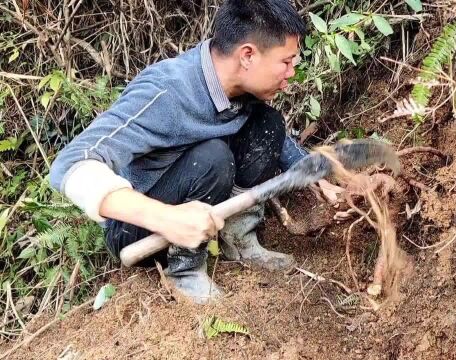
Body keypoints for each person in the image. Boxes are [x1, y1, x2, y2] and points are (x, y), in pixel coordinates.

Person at [49, 0, 338, 305]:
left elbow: (273, 139)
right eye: (287, 61)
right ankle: (184, 269)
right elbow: (69, 164)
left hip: (190, 206)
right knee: (213, 157)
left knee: (267, 122)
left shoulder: (237, 86)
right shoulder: (166, 92)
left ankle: (240, 240)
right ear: (248, 55)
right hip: (141, 232)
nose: (292, 72)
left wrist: (318, 174)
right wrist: (165, 218)